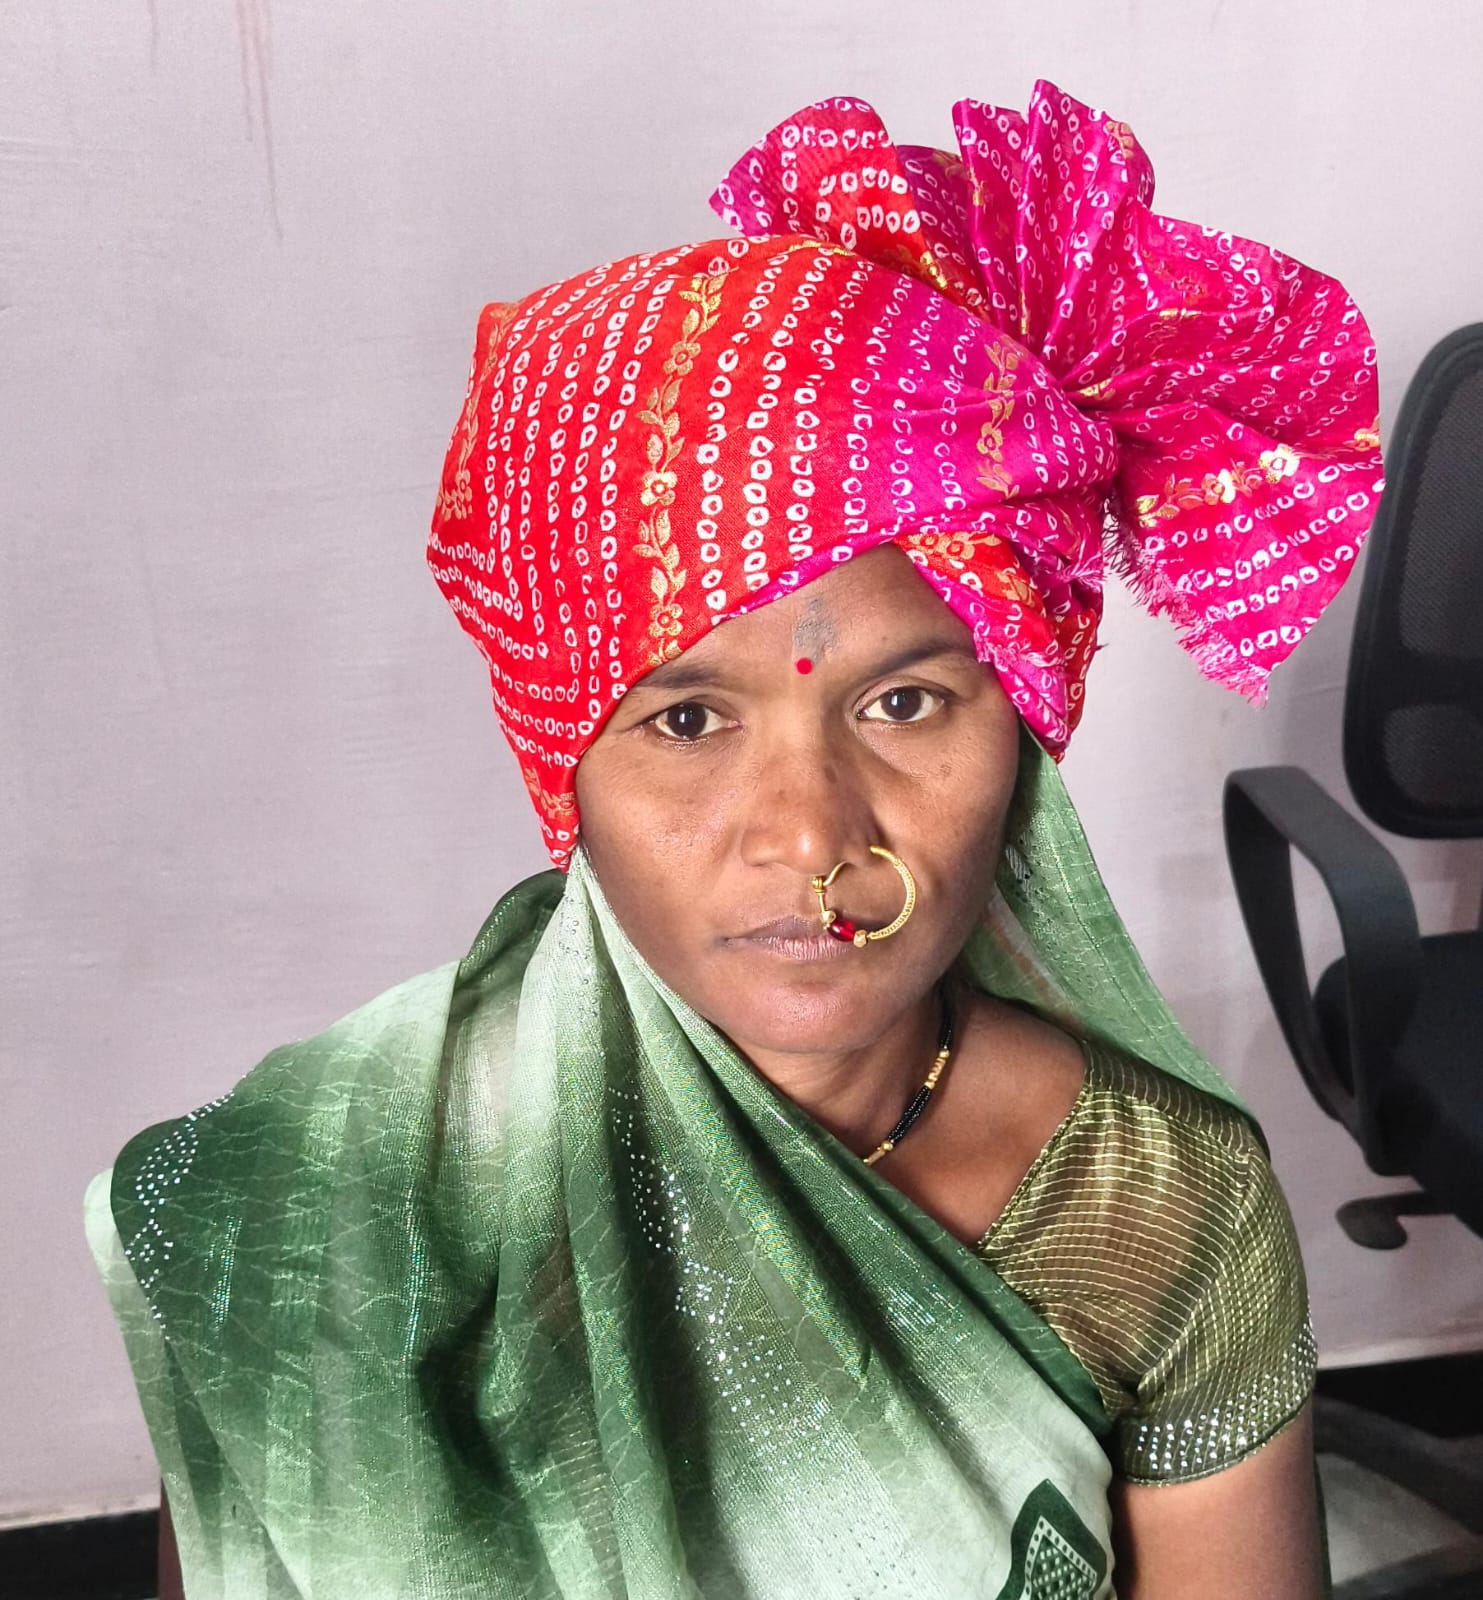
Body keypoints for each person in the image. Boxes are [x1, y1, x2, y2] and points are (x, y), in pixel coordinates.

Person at [87, 82, 1384, 1599]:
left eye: (904, 702)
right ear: (563, 764)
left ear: (1024, 725)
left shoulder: (1154, 1207)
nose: (812, 834)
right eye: (688, 719)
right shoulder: (329, 1213)